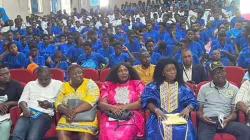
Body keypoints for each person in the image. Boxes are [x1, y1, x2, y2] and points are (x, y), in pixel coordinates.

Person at [141, 58, 198, 140]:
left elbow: (193, 101)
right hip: (159, 116)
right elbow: (147, 101)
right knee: (159, 129)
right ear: (162, 72)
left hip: (179, 116)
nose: (172, 72)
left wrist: (187, 109)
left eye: (174, 69)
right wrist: (156, 110)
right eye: (168, 70)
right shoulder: (153, 86)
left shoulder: (183, 87)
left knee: (184, 130)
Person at [196, 61, 250, 140]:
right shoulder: (203, 88)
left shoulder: (234, 89)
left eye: (221, 71)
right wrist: (202, 117)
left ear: (225, 72)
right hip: (208, 121)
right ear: (210, 75)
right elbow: (199, 110)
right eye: (216, 72)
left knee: (246, 131)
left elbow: (234, 113)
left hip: (226, 120)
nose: (219, 74)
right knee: (202, 137)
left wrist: (228, 119)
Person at [12, 66, 62, 140]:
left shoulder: (59, 84)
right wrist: (25, 109)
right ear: (37, 76)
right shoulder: (30, 84)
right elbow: (22, 100)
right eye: (40, 79)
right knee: (16, 136)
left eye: (46, 79)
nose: (43, 81)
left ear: (51, 76)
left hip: (44, 114)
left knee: (32, 138)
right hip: (27, 113)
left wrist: (50, 104)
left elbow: (63, 102)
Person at [99, 63, 145, 140]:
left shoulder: (137, 84)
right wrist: (112, 107)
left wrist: (123, 107)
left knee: (124, 132)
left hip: (131, 114)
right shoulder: (107, 85)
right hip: (111, 114)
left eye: (125, 70)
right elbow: (102, 104)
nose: (123, 73)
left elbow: (140, 103)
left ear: (129, 72)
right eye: (120, 71)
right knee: (107, 131)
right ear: (115, 74)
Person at [55, 64, 100, 140]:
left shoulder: (90, 83)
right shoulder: (64, 86)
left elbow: (91, 101)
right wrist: (66, 110)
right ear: (69, 75)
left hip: (87, 116)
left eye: (80, 73)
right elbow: (57, 102)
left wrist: (74, 111)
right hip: (68, 115)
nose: (78, 75)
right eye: (75, 74)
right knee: (61, 131)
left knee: (85, 133)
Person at [0, 64, 23, 140]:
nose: (6, 76)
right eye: (2, 75)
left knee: (5, 125)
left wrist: (10, 103)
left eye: (7, 73)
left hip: (7, 116)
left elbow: (24, 101)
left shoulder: (16, 85)